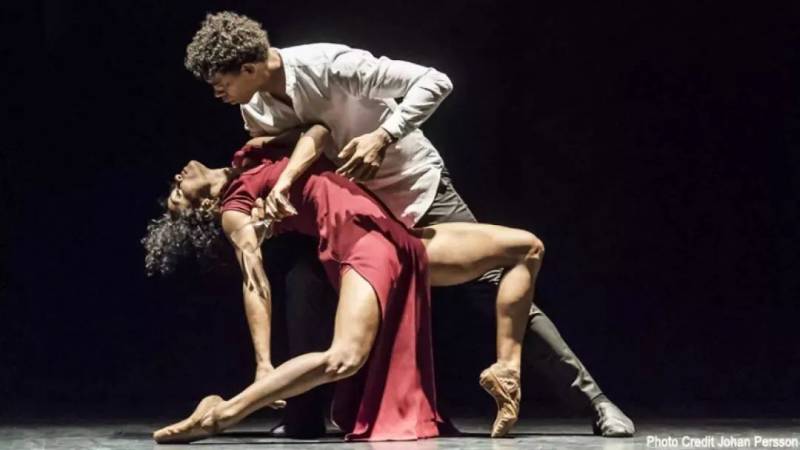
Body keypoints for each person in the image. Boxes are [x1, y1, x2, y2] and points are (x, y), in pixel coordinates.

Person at [183, 11, 634, 437]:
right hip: (356, 219)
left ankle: (594, 402)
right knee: (305, 285)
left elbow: (435, 80)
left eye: (220, 82)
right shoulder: (255, 110)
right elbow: (301, 145)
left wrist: (383, 135)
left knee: (496, 283)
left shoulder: (330, 65)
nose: (216, 92)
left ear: (249, 68)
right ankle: (302, 419)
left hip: (415, 191)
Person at [145, 126, 544, 443]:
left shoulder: (253, 153)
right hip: (360, 243)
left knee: (526, 248)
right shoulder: (235, 209)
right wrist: (263, 361)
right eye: (179, 193)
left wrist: (286, 172)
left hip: (395, 234)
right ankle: (220, 414)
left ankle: (506, 370)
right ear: (206, 208)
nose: (177, 178)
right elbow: (255, 283)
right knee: (344, 357)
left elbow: (319, 131)